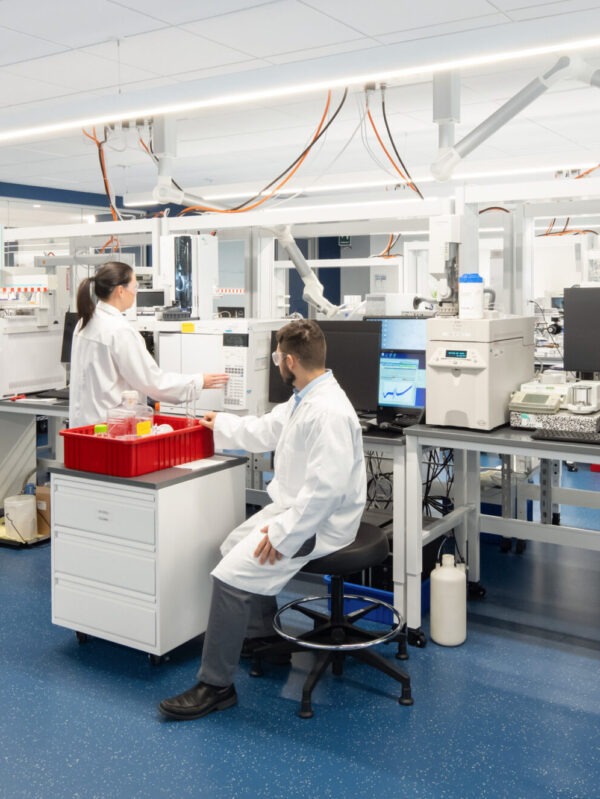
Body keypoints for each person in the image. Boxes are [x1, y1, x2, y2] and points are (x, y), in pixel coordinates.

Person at [159, 319, 366, 721]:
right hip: (297, 509)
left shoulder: (328, 412)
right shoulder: (304, 396)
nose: (276, 365)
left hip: (318, 524)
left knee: (228, 576)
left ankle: (216, 686)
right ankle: (261, 637)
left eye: (276, 358)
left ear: (288, 360)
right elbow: (266, 430)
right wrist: (221, 424)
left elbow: (327, 492)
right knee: (229, 547)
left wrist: (286, 535)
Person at [69, 261, 228, 428]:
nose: (136, 293)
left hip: (83, 427)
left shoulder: (84, 322)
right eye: (135, 287)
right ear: (121, 291)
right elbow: (152, 382)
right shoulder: (119, 330)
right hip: (110, 430)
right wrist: (197, 381)